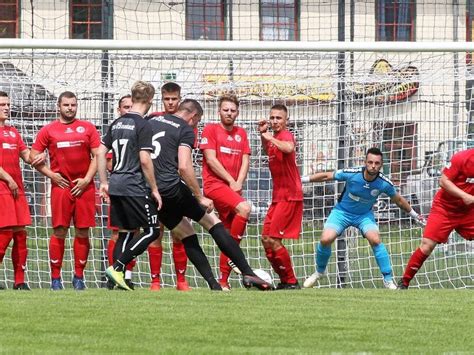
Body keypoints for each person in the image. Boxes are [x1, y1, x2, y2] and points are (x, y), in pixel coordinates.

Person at [148, 98, 272, 291]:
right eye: (196, 122)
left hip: (151, 190)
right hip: (172, 188)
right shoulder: (185, 129)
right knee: (212, 223)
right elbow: (184, 165)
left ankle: (214, 284)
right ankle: (248, 272)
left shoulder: (152, 121)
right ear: (194, 116)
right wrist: (199, 196)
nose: (195, 126)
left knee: (185, 232)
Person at [302, 147, 426, 290]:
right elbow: (326, 176)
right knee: (325, 239)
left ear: (381, 165)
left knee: (375, 240)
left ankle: (388, 280)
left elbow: (398, 200)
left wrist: (416, 216)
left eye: (377, 163)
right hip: (342, 212)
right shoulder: (352, 173)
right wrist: (302, 180)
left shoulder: (384, 183)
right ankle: (319, 272)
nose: (373, 166)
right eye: (370, 162)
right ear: (365, 162)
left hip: (364, 216)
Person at [31, 91, 101, 291]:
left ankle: (79, 278)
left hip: (84, 188)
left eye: (73, 105)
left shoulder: (87, 128)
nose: (70, 108)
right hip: (61, 187)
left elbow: (98, 155)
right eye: (66, 105)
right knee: (60, 230)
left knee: (82, 231)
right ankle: (55, 279)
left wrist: (87, 179)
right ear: (58, 106)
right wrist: (50, 174)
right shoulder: (48, 130)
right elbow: (34, 156)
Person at [98, 81, 162, 291]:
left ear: (133, 98)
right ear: (150, 101)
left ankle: (115, 281)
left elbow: (99, 152)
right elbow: (145, 159)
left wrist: (104, 182)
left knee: (125, 232)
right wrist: (154, 188)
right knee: (152, 231)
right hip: (134, 185)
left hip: (116, 183)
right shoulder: (143, 124)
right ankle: (117, 267)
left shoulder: (117, 123)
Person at [399, 148, 474, 289]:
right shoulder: (461, 157)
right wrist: (464, 196)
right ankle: (404, 283)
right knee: (427, 245)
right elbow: (443, 181)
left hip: (469, 211)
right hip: (445, 208)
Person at [200, 94, 252, 290]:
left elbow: (246, 159)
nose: (229, 113)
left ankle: (223, 281)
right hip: (216, 186)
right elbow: (210, 159)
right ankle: (236, 257)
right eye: (225, 110)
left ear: (237, 112)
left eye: (232, 110)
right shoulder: (211, 129)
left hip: (233, 187)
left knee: (228, 234)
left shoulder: (242, 133)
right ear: (219, 111)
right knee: (245, 209)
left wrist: (238, 182)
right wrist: (231, 181)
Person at [146, 82, 190, 291]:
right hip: (152, 185)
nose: (171, 103)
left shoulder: (184, 125)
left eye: (174, 99)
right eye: (167, 99)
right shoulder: (151, 120)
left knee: (178, 232)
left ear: (179, 99)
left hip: (173, 186)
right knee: (156, 231)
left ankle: (181, 280)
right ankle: (155, 281)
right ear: (161, 99)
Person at [257, 104, 303, 290]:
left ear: (286, 121)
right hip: (278, 197)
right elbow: (268, 149)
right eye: (273, 118)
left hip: (290, 196)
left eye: (279, 118)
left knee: (274, 239)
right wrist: (264, 136)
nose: (275, 121)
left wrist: (270, 138)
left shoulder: (285, 136)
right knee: (265, 239)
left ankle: (291, 281)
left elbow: (289, 147)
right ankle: (284, 280)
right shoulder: (273, 138)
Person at [0, 91, 43, 290]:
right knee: (4, 233)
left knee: (20, 233)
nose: (7, 108)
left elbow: (25, 154)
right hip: (4, 187)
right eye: (2, 104)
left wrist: (37, 157)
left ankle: (20, 281)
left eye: (8, 104)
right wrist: (8, 179)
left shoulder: (12, 131)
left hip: (15, 188)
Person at [105, 94, 136, 290]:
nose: (128, 110)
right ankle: (113, 273)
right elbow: (107, 160)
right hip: (122, 187)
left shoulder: (138, 126)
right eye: (125, 107)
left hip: (133, 187)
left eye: (131, 106)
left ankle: (127, 274)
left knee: (135, 233)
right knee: (119, 233)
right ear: (119, 110)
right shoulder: (116, 128)